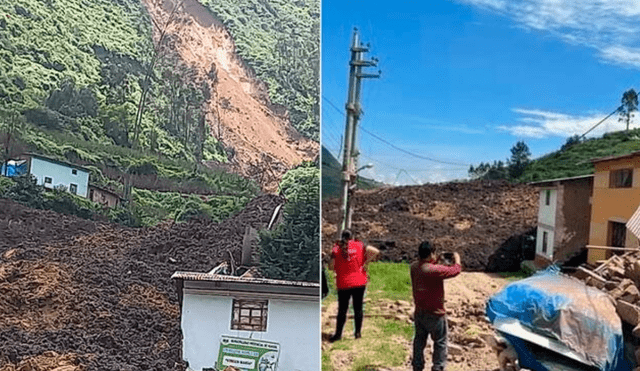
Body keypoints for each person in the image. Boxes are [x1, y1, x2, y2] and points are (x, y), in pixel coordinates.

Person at [410, 240, 461, 371]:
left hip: (420, 311)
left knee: (419, 341)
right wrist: (457, 259)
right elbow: (455, 271)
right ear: (432, 253)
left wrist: (436, 259)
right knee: (440, 342)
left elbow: (429, 266)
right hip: (435, 313)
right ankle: (438, 367)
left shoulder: (414, 266)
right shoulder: (432, 270)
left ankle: (417, 365)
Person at [327, 229, 378, 342]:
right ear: (352, 237)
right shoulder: (359, 245)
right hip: (359, 281)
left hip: (343, 283)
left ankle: (338, 334)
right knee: (358, 308)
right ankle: (357, 333)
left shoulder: (337, 248)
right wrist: (365, 262)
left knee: (342, 310)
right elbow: (375, 251)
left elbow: (330, 266)